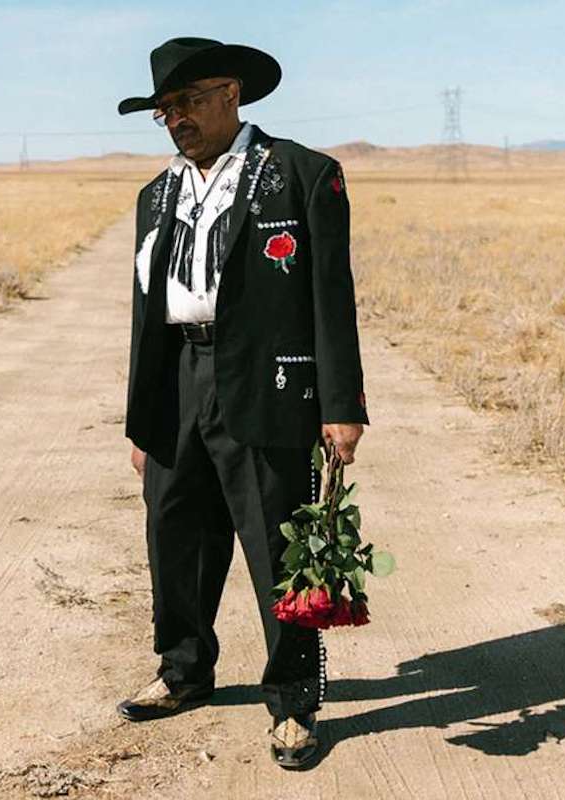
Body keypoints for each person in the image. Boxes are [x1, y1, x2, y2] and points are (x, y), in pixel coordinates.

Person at [115, 36, 369, 768]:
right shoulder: (154, 194)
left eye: (188, 102)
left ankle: (293, 704)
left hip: (265, 381)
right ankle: (183, 673)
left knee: (276, 547)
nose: (175, 120)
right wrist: (143, 417)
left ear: (232, 93)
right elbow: (147, 312)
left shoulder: (299, 174)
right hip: (178, 385)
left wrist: (341, 402)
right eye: (164, 111)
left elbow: (332, 297)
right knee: (174, 535)